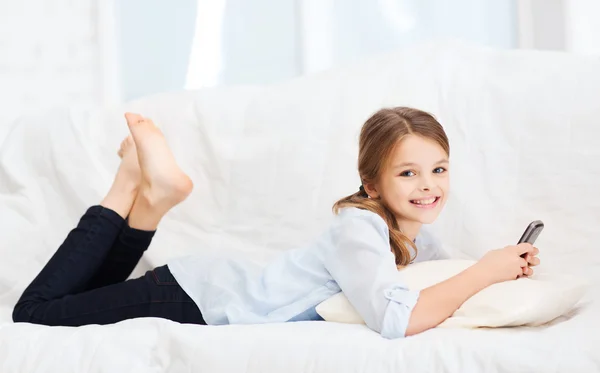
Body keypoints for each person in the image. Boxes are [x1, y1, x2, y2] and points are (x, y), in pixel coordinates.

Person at [12, 107, 540, 339]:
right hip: (193, 299)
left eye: (439, 170)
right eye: (409, 173)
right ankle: (128, 184)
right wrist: (485, 272)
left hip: (207, 290)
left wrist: (503, 268)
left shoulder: (417, 237)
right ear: (372, 185)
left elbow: (440, 292)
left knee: (84, 298)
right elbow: (395, 319)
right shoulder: (361, 227)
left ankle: (150, 203)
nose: (429, 185)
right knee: (34, 316)